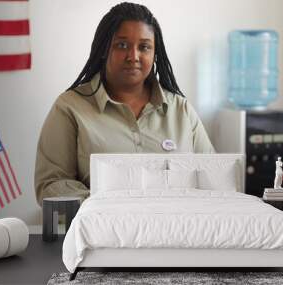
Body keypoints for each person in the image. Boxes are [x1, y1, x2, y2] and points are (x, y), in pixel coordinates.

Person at [34, 2, 215, 205]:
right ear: (104, 49)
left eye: (144, 47)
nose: (133, 56)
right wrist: (114, 205)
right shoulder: (70, 107)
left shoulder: (181, 110)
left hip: (179, 231)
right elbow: (50, 185)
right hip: (101, 232)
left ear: (155, 54)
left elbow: (213, 179)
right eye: (122, 45)